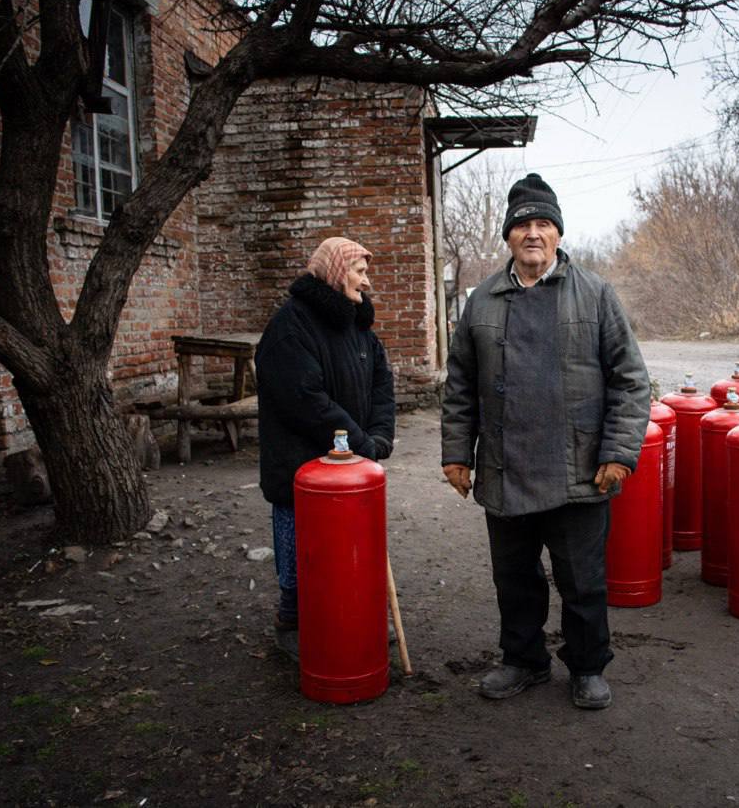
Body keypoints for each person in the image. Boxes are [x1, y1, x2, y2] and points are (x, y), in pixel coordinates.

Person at [440, 173, 650, 711]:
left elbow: (631, 381)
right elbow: (460, 383)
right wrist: (457, 453)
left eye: (542, 224)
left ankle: (586, 666)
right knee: (514, 578)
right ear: (508, 236)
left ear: (557, 234)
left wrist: (618, 453)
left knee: (582, 581)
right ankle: (523, 660)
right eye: (522, 225)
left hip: (579, 467)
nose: (532, 234)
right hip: (507, 467)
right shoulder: (482, 301)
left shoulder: (596, 293)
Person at [256, 236, 396, 631]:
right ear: (336, 272)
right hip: (300, 468)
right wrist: (361, 443)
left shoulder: (357, 325)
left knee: (349, 554)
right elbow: (307, 401)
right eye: (360, 271)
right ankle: (294, 622)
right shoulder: (291, 326)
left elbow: (381, 383)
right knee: (301, 559)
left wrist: (380, 437)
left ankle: (349, 623)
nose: (367, 282)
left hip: (352, 467)